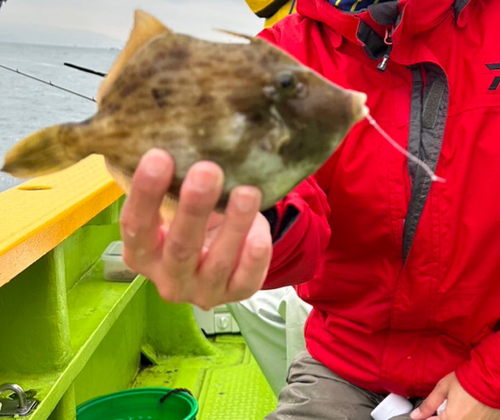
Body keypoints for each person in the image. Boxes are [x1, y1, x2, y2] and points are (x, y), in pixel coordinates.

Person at [119, 0, 500, 418]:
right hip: (349, 364)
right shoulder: (281, 54)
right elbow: (297, 206)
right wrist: (254, 223)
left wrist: (489, 380)